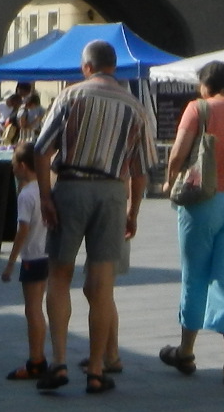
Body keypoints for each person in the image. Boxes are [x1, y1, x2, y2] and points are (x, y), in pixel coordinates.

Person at [33, 39, 155, 394]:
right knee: (103, 285)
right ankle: (98, 369)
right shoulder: (135, 106)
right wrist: (133, 211)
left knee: (59, 274)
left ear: (86, 66)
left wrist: (45, 197)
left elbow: (41, 151)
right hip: (113, 193)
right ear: (113, 67)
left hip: (71, 186)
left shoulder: (70, 97)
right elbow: (142, 169)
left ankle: (58, 361)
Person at [157, 60, 224, 384]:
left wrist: (168, 179)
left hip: (205, 199)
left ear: (207, 84)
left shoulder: (198, 108)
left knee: (195, 275)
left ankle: (186, 351)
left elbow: (178, 153)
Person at [0, 146, 51, 380]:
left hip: (32, 255)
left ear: (22, 166)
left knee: (32, 311)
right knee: (39, 307)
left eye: (13, 164)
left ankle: (36, 359)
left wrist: (10, 262)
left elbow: (22, 229)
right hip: (48, 253)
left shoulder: (26, 195)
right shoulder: (47, 188)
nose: (12, 168)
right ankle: (40, 357)